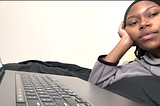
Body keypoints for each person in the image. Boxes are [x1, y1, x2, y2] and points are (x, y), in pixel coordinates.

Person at [88, 0, 160, 88]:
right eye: (133, 23)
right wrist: (125, 41)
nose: (143, 23)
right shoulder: (136, 69)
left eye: (153, 14)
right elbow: (95, 88)